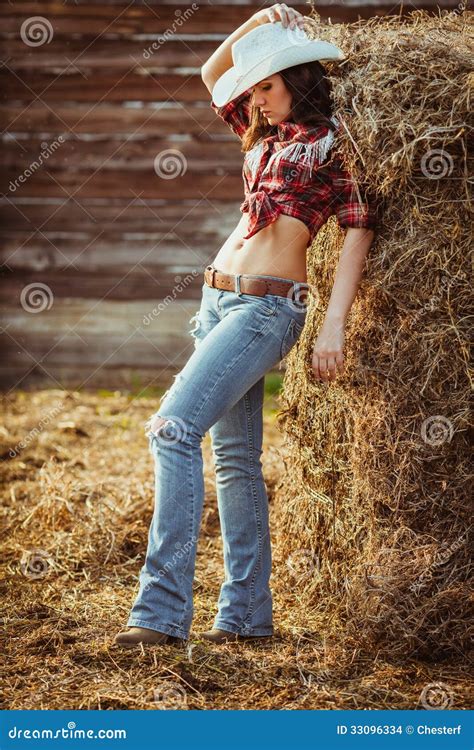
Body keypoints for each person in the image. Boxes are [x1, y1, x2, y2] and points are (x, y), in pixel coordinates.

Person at [114, 4, 378, 648]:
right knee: (234, 458)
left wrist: (332, 323)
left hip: (269, 306)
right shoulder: (264, 134)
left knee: (172, 427)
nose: (256, 100)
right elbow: (212, 73)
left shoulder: (337, 144)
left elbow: (358, 231)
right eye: (254, 89)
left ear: (298, 78)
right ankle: (245, 617)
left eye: (267, 84)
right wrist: (258, 21)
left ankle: (160, 613)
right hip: (215, 301)